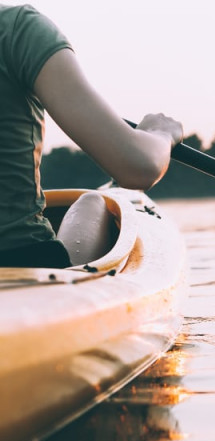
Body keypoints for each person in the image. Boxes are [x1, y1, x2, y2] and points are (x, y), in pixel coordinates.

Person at [0, 4, 183, 268]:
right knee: (92, 203)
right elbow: (138, 167)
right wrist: (160, 133)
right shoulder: (17, 28)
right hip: (21, 260)